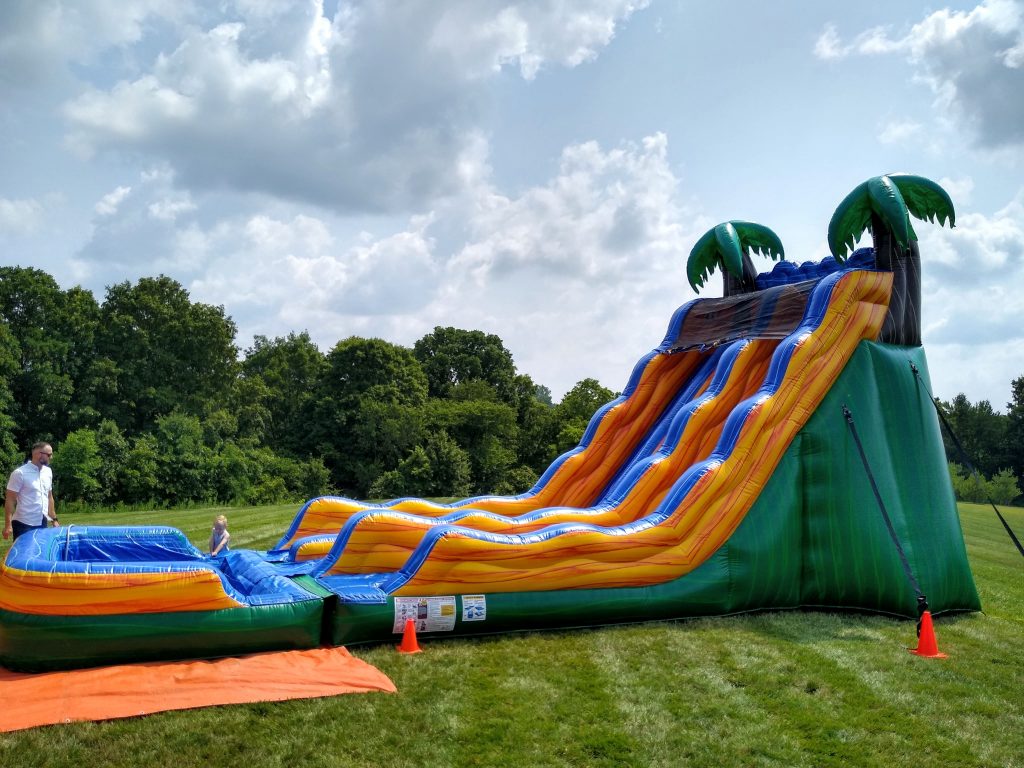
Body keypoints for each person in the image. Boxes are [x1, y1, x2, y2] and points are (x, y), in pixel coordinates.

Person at [4, 442, 60, 541]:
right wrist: (8, 525)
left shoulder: (48, 472)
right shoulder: (20, 473)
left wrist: (54, 519)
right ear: (38, 454)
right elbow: (10, 500)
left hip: (42, 521)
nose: (51, 457)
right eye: (49, 455)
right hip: (23, 523)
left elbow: (49, 496)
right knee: (23, 554)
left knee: (39, 553)